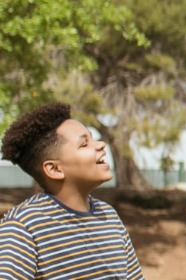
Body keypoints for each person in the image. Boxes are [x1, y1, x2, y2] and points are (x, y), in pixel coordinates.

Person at [0, 103, 145, 279]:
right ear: (54, 169)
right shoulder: (23, 228)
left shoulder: (109, 216)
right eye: (84, 144)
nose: (100, 145)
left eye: (93, 138)